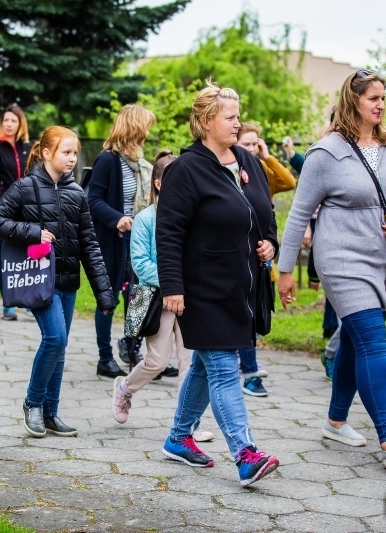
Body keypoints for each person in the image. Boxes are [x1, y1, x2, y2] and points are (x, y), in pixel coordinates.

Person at [277, 70, 386, 469]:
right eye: (373, 97)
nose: (380, 104)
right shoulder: (325, 152)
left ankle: (335, 421)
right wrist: (284, 271)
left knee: (355, 341)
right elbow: (298, 214)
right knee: (373, 341)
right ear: (352, 100)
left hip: (384, 259)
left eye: (383, 98)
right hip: (340, 258)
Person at [156, 80, 279, 487]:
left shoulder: (246, 159)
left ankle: (178, 438)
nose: (237, 122)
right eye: (231, 117)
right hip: (200, 288)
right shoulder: (184, 170)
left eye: (238, 115)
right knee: (224, 367)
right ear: (207, 121)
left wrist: (269, 243)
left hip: (240, 288)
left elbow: (265, 210)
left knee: (206, 370)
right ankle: (245, 454)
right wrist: (172, 286)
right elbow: (168, 232)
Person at [0, 126, 114, 438]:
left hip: (68, 281)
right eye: (65, 152)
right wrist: (33, 233)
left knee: (62, 346)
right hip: (38, 280)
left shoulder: (77, 194)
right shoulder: (25, 187)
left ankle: (51, 413)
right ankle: (32, 403)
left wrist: (104, 294)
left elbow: (90, 245)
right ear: (46, 153)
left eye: (75, 153)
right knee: (55, 339)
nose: (72, 159)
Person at [112, 150, 211, 439]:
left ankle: (188, 424)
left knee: (190, 361)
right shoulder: (145, 219)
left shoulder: (191, 218)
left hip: (189, 298)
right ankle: (124, 389)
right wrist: (173, 282)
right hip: (157, 298)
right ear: (158, 184)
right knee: (157, 360)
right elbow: (140, 263)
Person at [87, 104, 159, 378]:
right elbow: (93, 200)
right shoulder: (108, 160)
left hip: (138, 242)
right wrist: (118, 218)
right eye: (146, 127)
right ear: (135, 128)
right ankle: (105, 358)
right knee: (108, 299)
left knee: (139, 298)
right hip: (114, 242)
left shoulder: (140, 164)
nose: (148, 133)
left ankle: (133, 350)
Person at [235, 122, 300, 397]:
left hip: (264, 249)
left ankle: (244, 359)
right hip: (241, 252)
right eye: (246, 143)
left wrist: (266, 155)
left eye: (255, 143)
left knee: (258, 313)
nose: (251, 148)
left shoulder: (262, 171)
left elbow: (289, 182)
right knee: (247, 316)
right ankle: (250, 372)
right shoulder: (232, 172)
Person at [0, 103, 32, 321]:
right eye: (6, 120)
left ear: (20, 123)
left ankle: (26, 300)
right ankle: (8, 304)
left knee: (25, 256)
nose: (9, 124)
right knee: (6, 256)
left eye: (13, 120)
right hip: (2, 210)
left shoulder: (27, 147)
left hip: (26, 210)